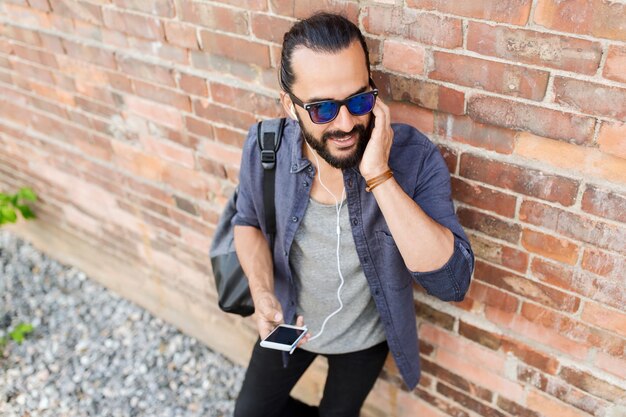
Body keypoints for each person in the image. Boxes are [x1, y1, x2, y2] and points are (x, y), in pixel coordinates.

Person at [231, 12, 474, 417]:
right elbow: (247, 223)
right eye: (323, 109)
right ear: (289, 106)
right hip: (290, 324)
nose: (345, 124)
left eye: (359, 100)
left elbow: (451, 282)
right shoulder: (264, 148)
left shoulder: (413, 157)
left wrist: (379, 175)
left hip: (365, 339)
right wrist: (261, 292)